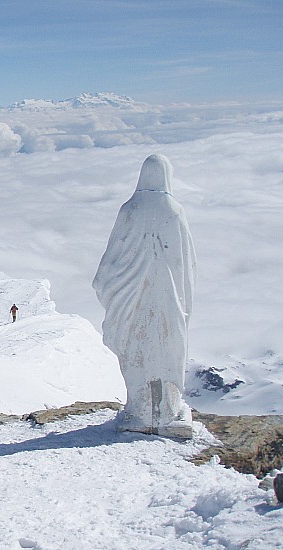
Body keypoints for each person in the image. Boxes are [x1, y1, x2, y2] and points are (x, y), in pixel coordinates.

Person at [92, 154, 196, 439]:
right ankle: (169, 412)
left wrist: (113, 285)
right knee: (167, 351)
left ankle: (139, 410)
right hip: (168, 300)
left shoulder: (130, 209)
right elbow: (184, 264)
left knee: (137, 351)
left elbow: (113, 257)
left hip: (132, 300)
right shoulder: (174, 210)